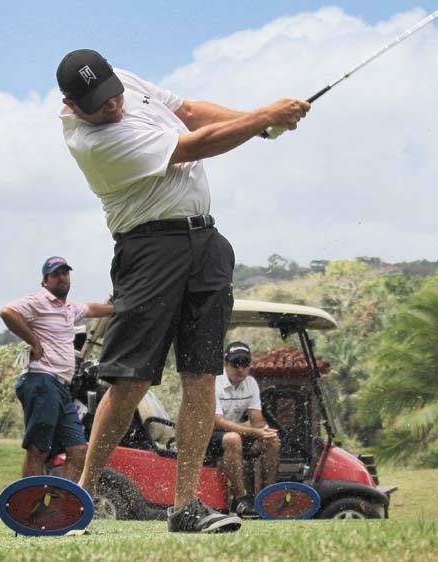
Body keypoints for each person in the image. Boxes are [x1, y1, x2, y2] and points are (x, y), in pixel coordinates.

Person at [55, 48, 310, 533]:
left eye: (114, 94)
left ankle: (186, 506)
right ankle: (82, 498)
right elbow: (194, 144)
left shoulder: (120, 81)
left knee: (201, 374)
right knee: (130, 380)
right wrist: (263, 117)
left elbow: (189, 111)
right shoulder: (94, 143)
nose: (113, 105)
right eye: (99, 105)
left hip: (205, 242)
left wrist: (260, 124)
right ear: (72, 105)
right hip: (149, 249)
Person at [0, 256, 113, 481]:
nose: (62, 278)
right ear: (45, 281)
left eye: (65, 273)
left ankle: (60, 501)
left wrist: (119, 307)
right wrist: (33, 341)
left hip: (60, 387)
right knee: (39, 449)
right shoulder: (39, 300)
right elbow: (7, 312)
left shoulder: (69, 308)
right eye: (56, 274)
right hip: (41, 380)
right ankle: (31, 501)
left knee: (78, 450)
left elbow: (91, 308)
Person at [206, 342, 280, 518]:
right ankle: (240, 499)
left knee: (272, 440)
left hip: (237, 435)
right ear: (225, 363)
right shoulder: (214, 382)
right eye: (235, 364)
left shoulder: (251, 383)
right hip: (208, 437)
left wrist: (265, 431)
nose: (240, 370)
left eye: (245, 364)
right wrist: (255, 432)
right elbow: (218, 422)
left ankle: (268, 497)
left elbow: (257, 421)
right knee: (232, 438)